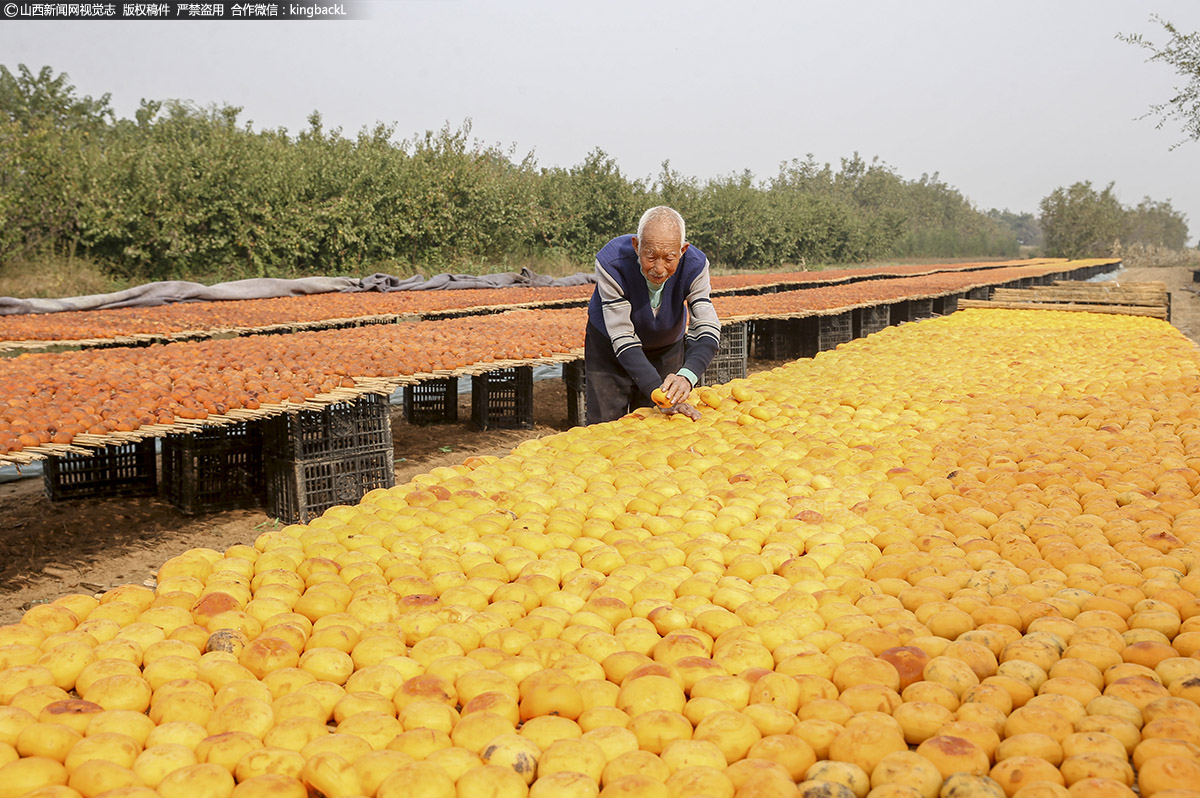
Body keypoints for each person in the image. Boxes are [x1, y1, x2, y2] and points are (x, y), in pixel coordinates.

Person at [584, 206, 721, 424]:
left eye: (669, 258)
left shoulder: (695, 266)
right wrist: (653, 388)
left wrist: (687, 376)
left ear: (683, 250)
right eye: (650, 256)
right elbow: (622, 335)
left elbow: (706, 326)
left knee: (659, 425)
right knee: (606, 426)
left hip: (665, 346)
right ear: (636, 246)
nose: (659, 268)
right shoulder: (612, 263)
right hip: (610, 349)